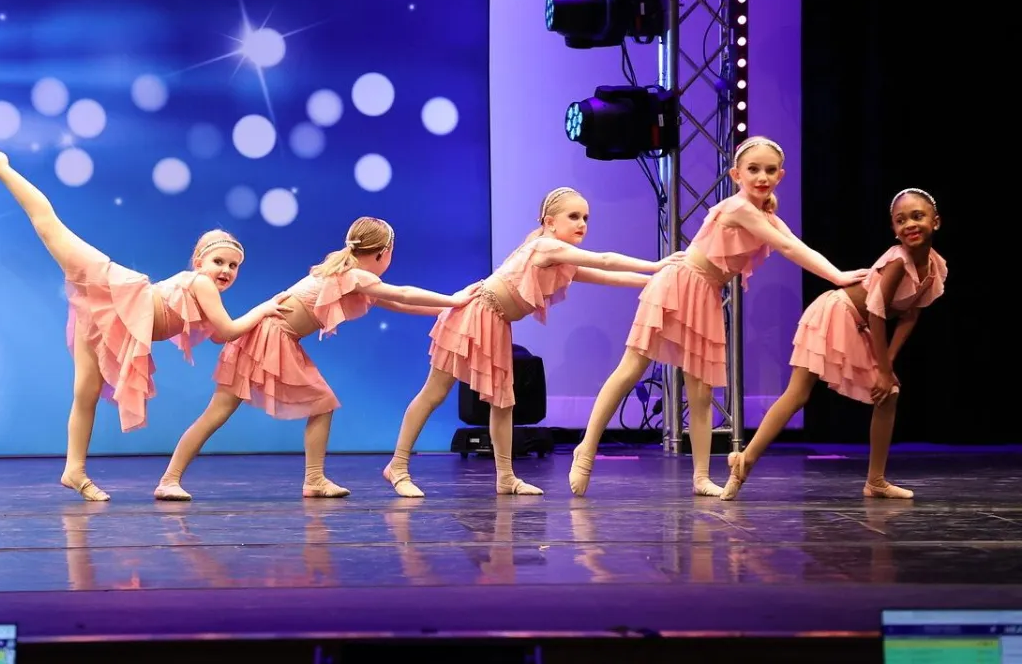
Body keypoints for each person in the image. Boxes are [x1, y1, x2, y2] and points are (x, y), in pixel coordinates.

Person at [0, 136, 287, 501]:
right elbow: (226, 331)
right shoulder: (202, 284)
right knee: (48, 224)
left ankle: (74, 470)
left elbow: (215, 334)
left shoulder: (204, 291)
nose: (225, 270)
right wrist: (264, 308)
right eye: (218, 262)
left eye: (233, 265)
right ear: (198, 262)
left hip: (110, 320)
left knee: (85, 393)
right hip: (115, 290)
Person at [568, 137, 869, 497]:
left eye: (770, 170)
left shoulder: (765, 215)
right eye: (753, 169)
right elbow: (788, 248)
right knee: (632, 368)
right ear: (736, 174)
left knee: (701, 390)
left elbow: (796, 244)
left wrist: (838, 272)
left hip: (707, 295)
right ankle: (585, 448)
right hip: (680, 285)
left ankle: (699, 476)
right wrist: (838, 276)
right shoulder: (739, 207)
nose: (762, 177)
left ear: (781, 175)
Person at [383, 187, 681, 498]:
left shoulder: (562, 258)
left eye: (586, 218)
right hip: (474, 314)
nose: (582, 224)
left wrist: (655, 281)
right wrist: (656, 266)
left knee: (503, 404)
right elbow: (604, 260)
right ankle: (398, 466)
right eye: (574, 216)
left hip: (497, 323)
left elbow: (610, 276)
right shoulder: (545, 247)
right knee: (435, 392)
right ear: (550, 222)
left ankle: (506, 477)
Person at [154, 217, 479, 500]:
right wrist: (454, 298)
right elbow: (404, 293)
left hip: (265, 336)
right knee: (318, 403)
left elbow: (401, 305)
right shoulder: (355, 275)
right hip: (271, 337)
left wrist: (454, 307)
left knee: (221, 412)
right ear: (383, 253)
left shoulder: (350, 276)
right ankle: (313, 479)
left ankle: (171, 480)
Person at [720, 187, 947, 500]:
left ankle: (876, 482)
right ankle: (745, 462)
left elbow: (910, 316)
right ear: (893, 229)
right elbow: (878, 314)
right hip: (837, 313)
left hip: (859, 323)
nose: (909, 224)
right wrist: (882, 368)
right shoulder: (898, 262)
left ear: (936, 222)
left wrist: (889, 363)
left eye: (917, 216)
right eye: (900, 220)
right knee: (798, 393)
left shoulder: (935, 267)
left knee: (889, 394)